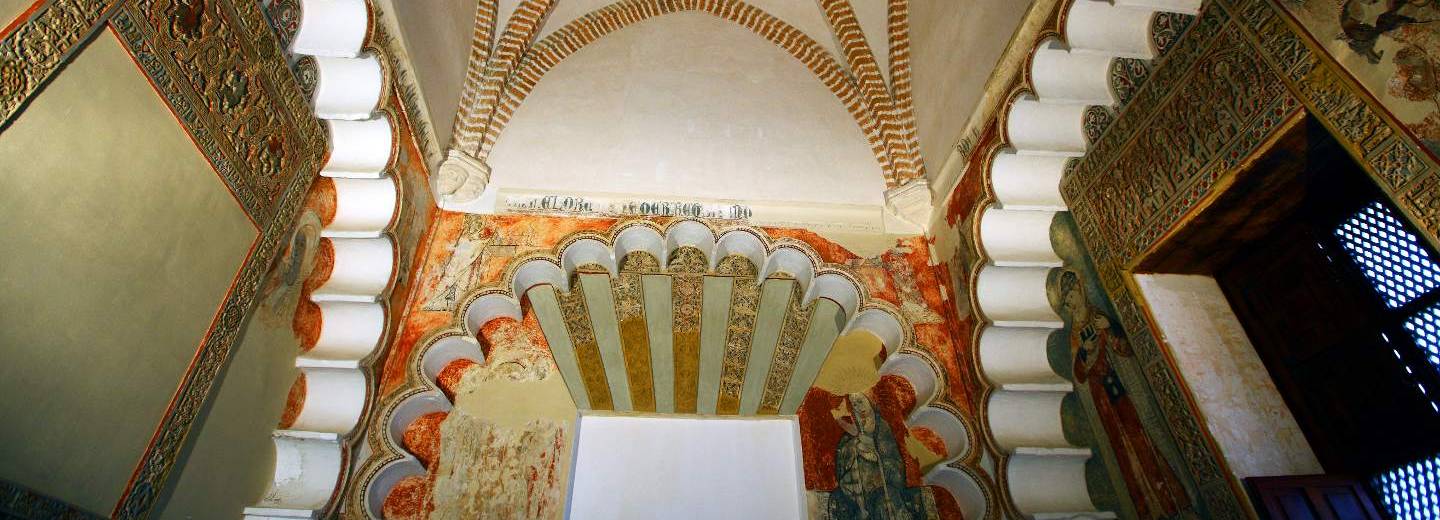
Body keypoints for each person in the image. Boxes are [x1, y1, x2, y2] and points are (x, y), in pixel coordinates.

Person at [1058, 270, 1191, 519]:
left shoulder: (1098, 316)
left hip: (1123, 388)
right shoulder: (1075, 333)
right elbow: (1079, 373)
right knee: (1122, 452)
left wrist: (1110, 328)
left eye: (1071, 296)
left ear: (1080, 292)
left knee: (1142, 438)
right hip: (1103, 399)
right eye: (1066, 301)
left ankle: (1171, 501)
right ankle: (1147, 510)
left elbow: (1124, 347)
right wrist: (1085, 351)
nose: (1071, 303)